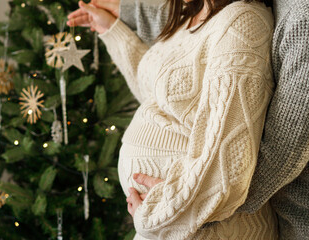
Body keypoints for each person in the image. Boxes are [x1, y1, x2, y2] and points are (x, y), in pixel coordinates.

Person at [69, 0, 309, 239]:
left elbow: (231, 161)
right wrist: (113, 31)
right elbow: (160, 98)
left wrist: (164, 211)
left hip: (209, 228)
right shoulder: (189, 14)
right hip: (173, 222)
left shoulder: (242, 21)